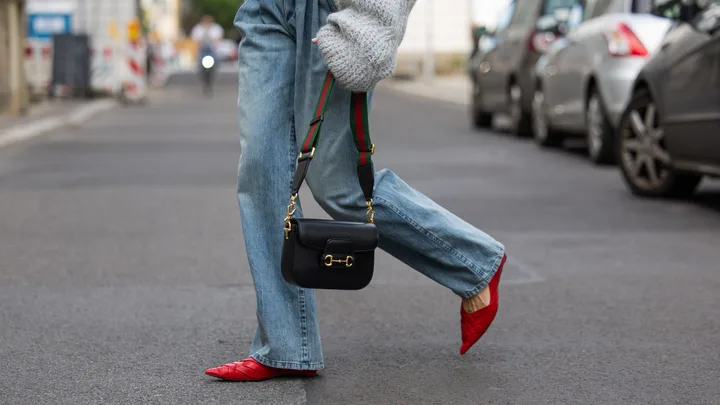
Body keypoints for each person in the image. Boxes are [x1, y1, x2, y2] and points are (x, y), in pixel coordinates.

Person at [204, 0, 508, 382]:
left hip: (328, 10)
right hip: (263, 11)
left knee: (339, 187)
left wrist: (376, 16)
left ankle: (473, 263)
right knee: (260, 170)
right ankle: (285, 346)